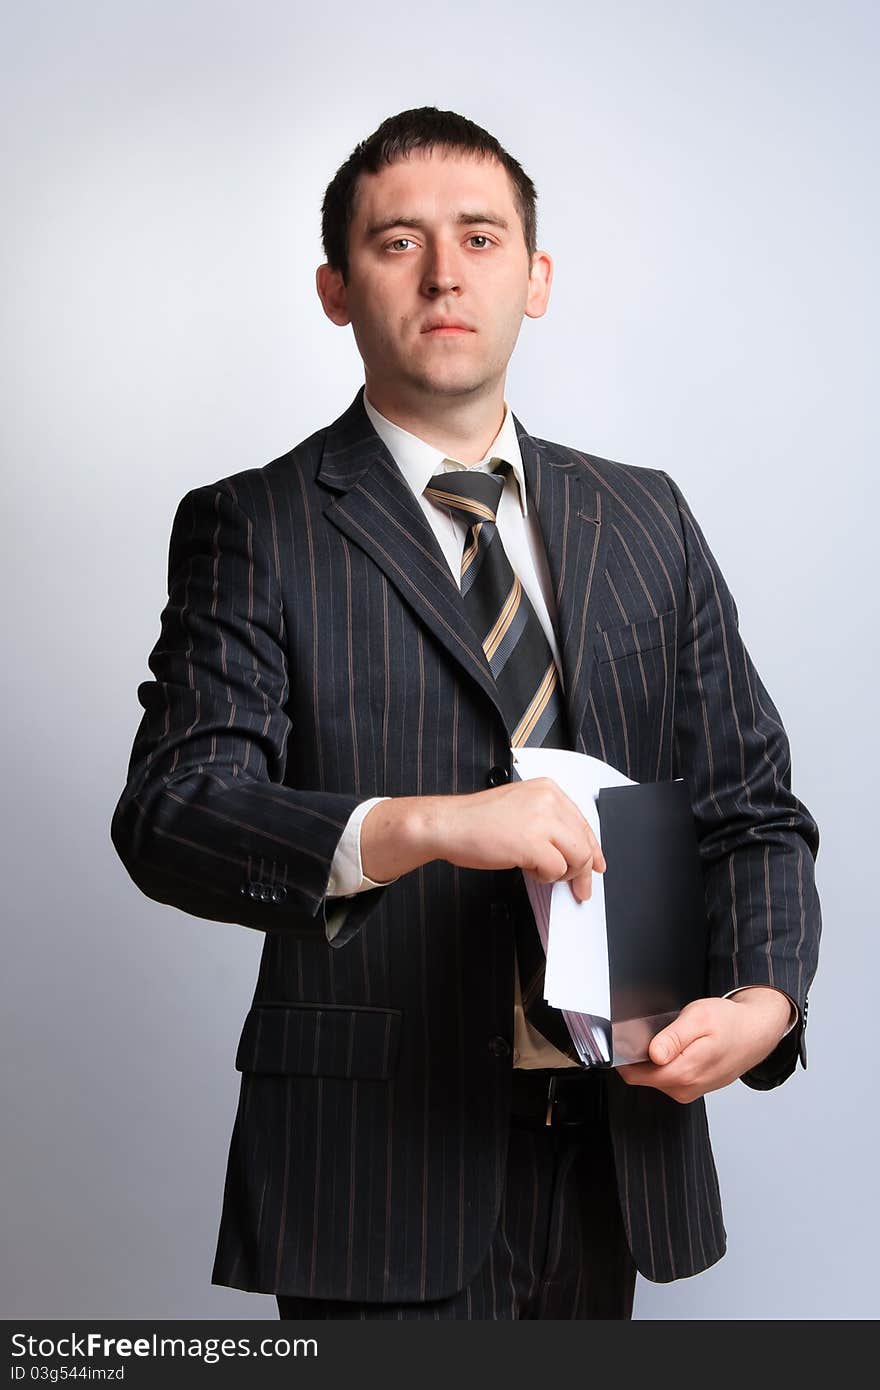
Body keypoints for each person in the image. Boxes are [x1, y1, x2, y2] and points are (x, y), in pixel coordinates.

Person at [110, 106, 821, 1321]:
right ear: (336, 289)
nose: (445, 272)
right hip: (373, 1169)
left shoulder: (646, 517)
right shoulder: (255, 525)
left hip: (614, 1152)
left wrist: (763, 998)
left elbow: (751, 810)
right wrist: (423, 825)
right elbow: (177, 813)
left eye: (481, 238)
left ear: (533, 278)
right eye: (398, 242)